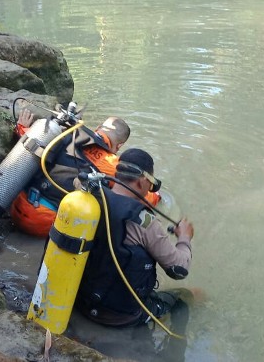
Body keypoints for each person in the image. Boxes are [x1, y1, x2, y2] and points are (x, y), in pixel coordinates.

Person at [75, 148, 194, 361]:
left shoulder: (90, 200)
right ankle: (176, 345)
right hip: (120, 317)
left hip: (81, 302)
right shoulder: (143, 221)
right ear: (141, 182)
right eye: (150, 184)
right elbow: (179, 269)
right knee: (186, 296)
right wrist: (184, 238)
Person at [10, 110, 131, 237]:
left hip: (17, 206)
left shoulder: (67, 132)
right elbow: (138, 191)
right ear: (119, 146)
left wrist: (22, 127)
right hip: (44, 224)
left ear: (98, 128)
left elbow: (30, 144)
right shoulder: (113, 164)